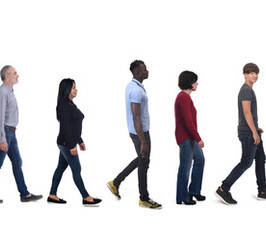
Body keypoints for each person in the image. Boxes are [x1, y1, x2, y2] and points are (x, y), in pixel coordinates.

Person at [214, 63, 266, 205]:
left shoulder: (249, 90)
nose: (254, 75)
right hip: (248, 132)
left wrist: (256, 128)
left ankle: (262, 190)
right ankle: (223, 188)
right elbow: (246, 112)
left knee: (261, 158)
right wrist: (253, 132)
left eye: (256, 73)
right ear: (244, 74)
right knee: (246, 162)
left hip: (251, 130)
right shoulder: (245, 90)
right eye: (251, 73)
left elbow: (248, 114)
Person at [0, 65, 42, 204]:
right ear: (7, 76)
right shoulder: (3, 92)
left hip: (11, 133)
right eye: (15, 73)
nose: (17, 75)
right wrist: (2, 138)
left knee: (17, 162)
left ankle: (25, 194)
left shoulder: (9, 91)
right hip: (5, 133)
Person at [107, 60, 162, 209]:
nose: (147, 71)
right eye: (144, 70)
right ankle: (144, 198)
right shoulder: (136, 90)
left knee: (142, 159)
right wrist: (143, 141)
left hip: (139, 131)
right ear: (137, 72)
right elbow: (136, 116)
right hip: (140, 133)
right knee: (144, 163)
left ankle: (116, 182)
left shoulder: (133, 86)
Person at [49, 78, 101, 206]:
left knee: (60, 168)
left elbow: (74, 126)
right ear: (67, 90)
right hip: (66, 143)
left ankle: (52, 195)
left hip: (67, 142)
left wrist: (80, 140)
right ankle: (86, 197)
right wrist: (72, 145)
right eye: (73, 88)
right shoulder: (64, 105)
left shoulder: (70, 103)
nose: (76, 90)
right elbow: (65, 127)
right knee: (76, 169)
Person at [174, 71, 205, 205]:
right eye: (195, 81)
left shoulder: (186, 97)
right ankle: (182, 196)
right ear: (190, 83)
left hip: (189, 137)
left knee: (200, 160)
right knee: (185, 167)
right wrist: (198, 138)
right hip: (186, 138)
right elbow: (188, 121)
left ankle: (194, 191)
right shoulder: (183, 97)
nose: (197, 83)